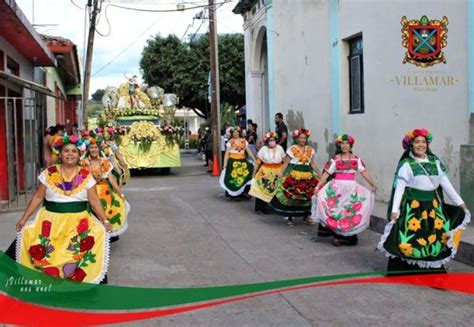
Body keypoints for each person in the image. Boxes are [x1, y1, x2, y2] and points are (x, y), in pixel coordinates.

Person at [6, 135, 112, 283]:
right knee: (30, 239)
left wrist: (105, 220)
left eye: (74, 151)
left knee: (97, 237)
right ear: (60, 154)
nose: (70, 154)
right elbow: (37, 197)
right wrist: (24, 218)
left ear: (79, 154)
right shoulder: (49, 173)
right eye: (66, 151)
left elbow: (94, 200)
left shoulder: (87, 175)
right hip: (50, 222)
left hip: (78, 223)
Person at [378, 128, 470, 275]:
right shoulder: (407, 164)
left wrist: (460, 202)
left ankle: (434, 270)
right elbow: (400, 189)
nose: (420, 145)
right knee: (410, 239)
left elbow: (445, 183)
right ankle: (405, 269)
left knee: (434, 239)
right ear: (410, 145)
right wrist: (395, 210)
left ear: (427, 144)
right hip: (413, 208)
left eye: (423, 142)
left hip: (433, 208)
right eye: (416, 142)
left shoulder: (435, 162)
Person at [312, 134, 376, 246]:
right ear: (339, 145)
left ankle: (349, 237)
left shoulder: (356, 159)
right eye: (342, 143)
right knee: (337, 211)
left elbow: (364, 172)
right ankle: (339, 236)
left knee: (349, 212)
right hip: (337, 188)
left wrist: (372, 184)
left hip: (351, 189)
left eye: (347, 143)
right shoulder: (335, 160)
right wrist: (318, 187)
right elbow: (326, 175)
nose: (344, 146)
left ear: (351, 146)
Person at [81, 135, 130, 240]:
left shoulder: (105, 162)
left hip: (105, 192)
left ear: (99, 149)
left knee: (108, 211)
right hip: (89, 192)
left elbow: (111, 180)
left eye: (96, 147)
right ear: (88, 149)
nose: (94, 150)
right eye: (92, 147)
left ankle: (107, 235)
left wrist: (120, 193)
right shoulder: (83, 163)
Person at [269, 128, 321, 226]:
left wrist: (320, 175)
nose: (302, 140)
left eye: (304, 138)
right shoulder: (292, 149)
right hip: (294, 175)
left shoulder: (310, 150)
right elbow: (286, 164)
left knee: (306, 197)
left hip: (307, 175)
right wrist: (280, 174)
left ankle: (306, 216)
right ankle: (290, 217)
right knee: (292, 197)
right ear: (296, 138)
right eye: (300, 138)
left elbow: (313, 164)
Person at [250, 131, 286, 214]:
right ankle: (260, 208)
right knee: (262, 189)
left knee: (278, 189)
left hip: (278, 171)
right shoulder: (263, 149)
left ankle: (276, 208)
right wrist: (254, 172)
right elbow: (258, 162)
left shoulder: (280, 148)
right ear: (267, 141)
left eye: (273, 140)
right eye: (270, 140)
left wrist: (286, 171)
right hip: (265, 171)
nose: (272, 142)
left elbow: (284, 161)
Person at [219, 127, 256, 199]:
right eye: (234, 132)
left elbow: (248, 150)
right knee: (231, 177)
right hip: (232, 161)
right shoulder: (230, 141)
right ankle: (230, 193)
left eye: (237, 132)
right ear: (232, 133)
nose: (236, 133)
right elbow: (227, 153)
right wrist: (224, 164)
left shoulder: (244, 141)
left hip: (242, 161)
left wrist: (254, 159)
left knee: (246, 174)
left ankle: (243, 193)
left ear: (239, 132)